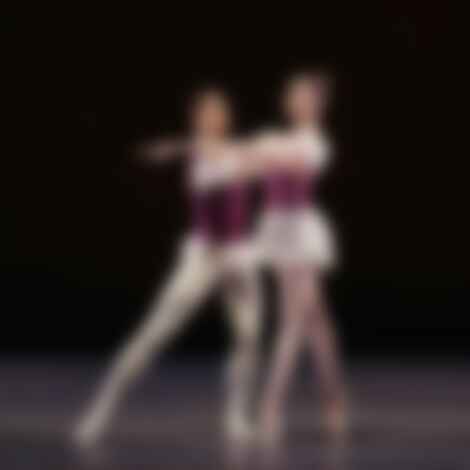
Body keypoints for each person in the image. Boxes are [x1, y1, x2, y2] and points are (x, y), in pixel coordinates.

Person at [74, 88, 262, 447]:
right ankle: (100, 408)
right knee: (155, 332)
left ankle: (236, 417)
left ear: (227, 117)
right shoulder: (201, 157)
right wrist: (183, 147)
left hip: (239, 255)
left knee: (249, 336)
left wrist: (180, 147)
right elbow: (212, 158)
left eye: (220, 111)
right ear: (196, 118)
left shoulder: (232, 151)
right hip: (204, 256)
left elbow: (253, 162)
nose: (214, 117)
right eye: (207, 112)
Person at [253, 72, 347, 443]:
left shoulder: (316, 142)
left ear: (318, 104)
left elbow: (294, 162)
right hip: (277, 231)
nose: (297, 101)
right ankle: (334, 401)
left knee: (293, 320)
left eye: (305, 96)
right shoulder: (280, 138)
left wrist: (263, 149)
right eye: (293, 95)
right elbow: (250, 165)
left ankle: (270, 406)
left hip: (302, 233)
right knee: (318, 325)